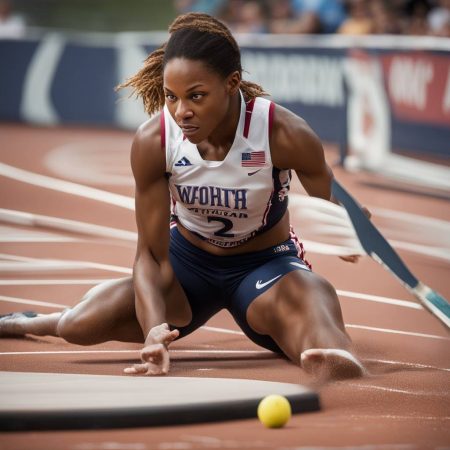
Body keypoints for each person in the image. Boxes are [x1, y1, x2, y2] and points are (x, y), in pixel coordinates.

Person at [0, 12, 366, 382]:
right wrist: (154, 330)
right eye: (171, 97)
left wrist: (347, 223)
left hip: (265, 266)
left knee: (315, 311)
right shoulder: (155, 141)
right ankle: (41, 321)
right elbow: (150, 255)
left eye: (196, 97)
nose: (181, 112)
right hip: (186, 267)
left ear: (232, 83)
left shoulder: (283, 133)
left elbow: (328, 200)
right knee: (80, 326)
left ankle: (331, 345)